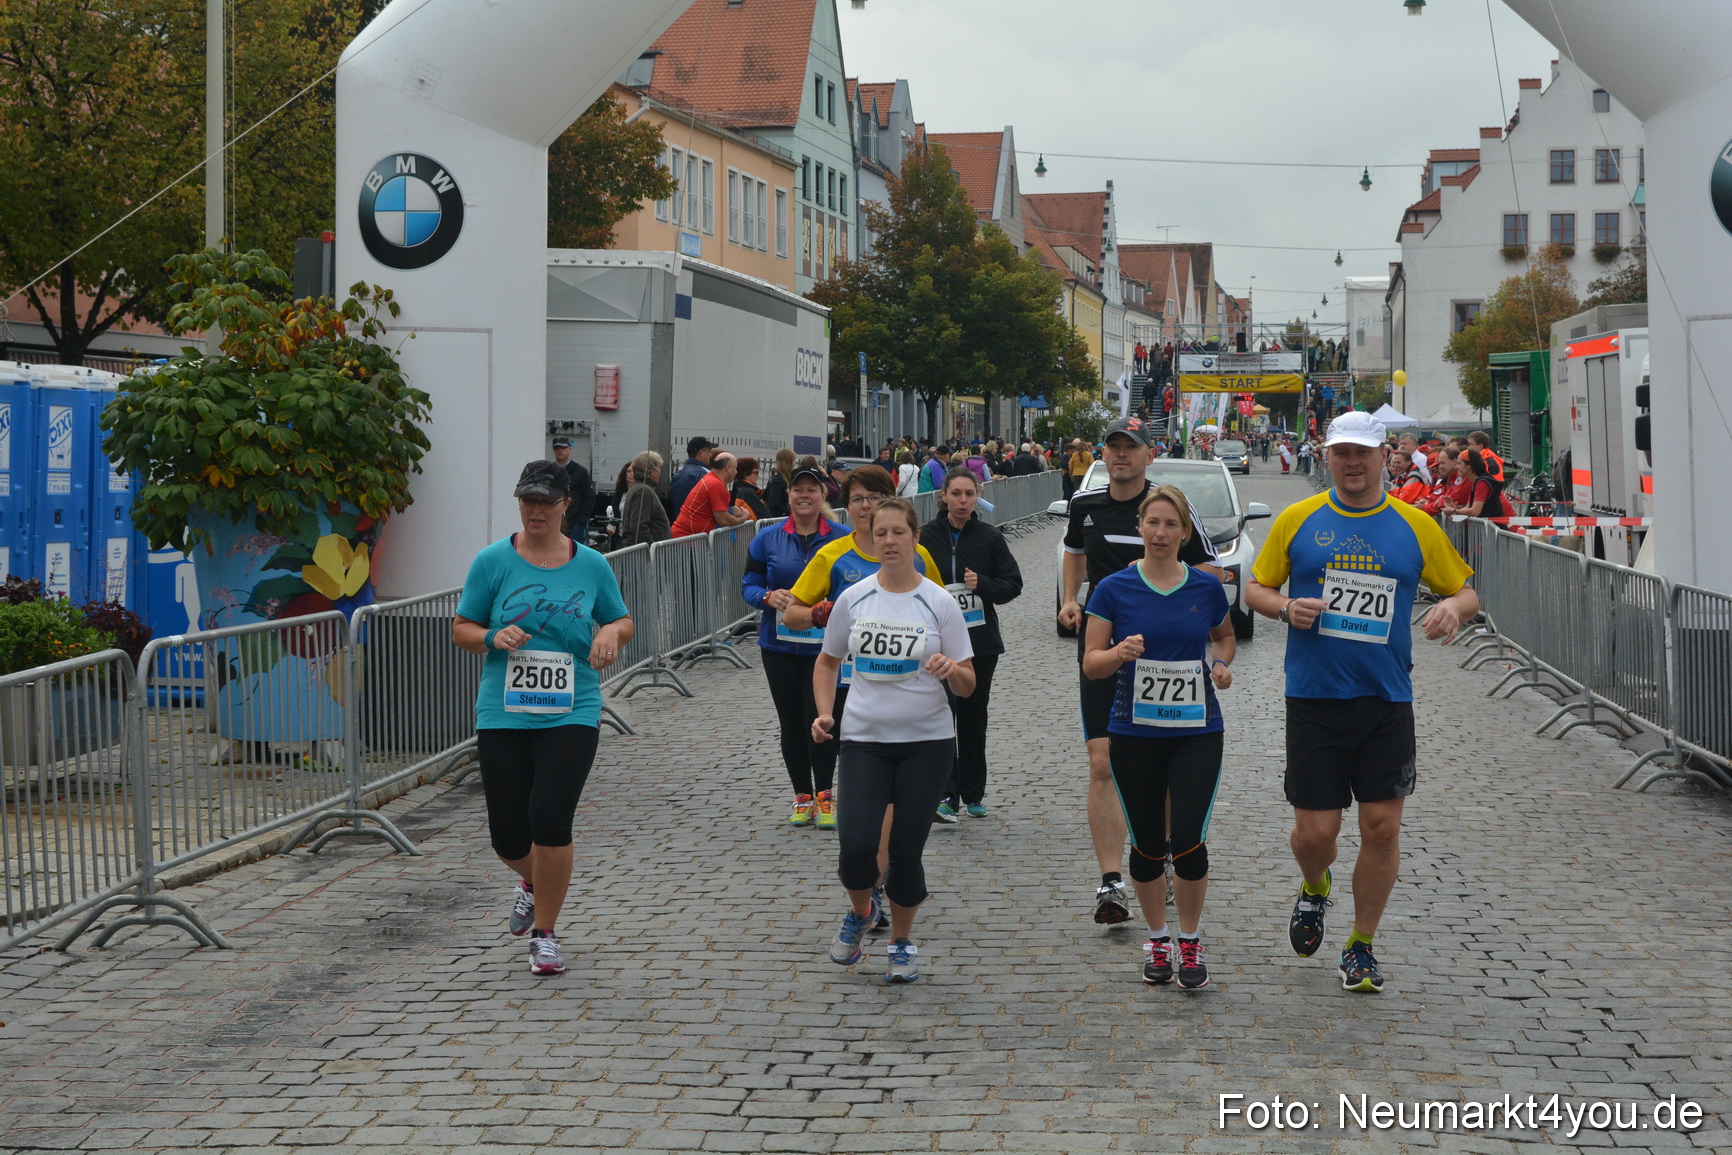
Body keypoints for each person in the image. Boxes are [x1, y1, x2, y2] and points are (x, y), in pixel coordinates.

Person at [1246, 411, 1479, 994]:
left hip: (1386, 699)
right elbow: (1255, 587)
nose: (1353, 463)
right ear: (1327, 457)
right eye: (1342, 453)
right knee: (1317, 835)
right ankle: (1315, 885)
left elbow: (1465, 588)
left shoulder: (1415, 524)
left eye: (1363, 454)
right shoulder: (1298, 520)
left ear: (1383, 458)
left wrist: (1455, 608)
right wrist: (1282, 608)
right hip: (1315, 698)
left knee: (1379, 827)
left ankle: (1361, 944)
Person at [451, 460, 634, 977]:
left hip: (572, 707)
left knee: (550, 818)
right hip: (504, 711)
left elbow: (623, 619)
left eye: (546, 502)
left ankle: (545, 933)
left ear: (565, 505)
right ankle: (532, 880)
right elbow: (461, 627)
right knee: (508, 835)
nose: (536, 510)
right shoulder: (492, 562)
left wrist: (609, 635)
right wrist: (492, 636)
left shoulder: (591, 564)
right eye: (528, 501)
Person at [1058, 415, 1218, 925]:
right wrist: (1069, 598)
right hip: (1108, 649)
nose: (1121, 454)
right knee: (1101, 761)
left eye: (1131, 447)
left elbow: (1211, 572)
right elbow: (1075, 553)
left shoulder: (1167, 506)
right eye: (1113, 447)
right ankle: (1111, 881)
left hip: (1166, 662)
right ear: (1102, 454)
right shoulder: (1084, 505)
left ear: (1150, 455)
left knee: (1164, 772)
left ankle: (1162, 855)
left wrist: (1161, 582)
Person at [812, 496, 976, 984]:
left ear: (914, 538)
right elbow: (827, 660)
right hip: (863, 737)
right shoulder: (854, 597)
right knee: (856, 846)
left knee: (905, 850)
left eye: (897, 533)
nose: (888, 541)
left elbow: (968, 682)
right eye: (879, 532)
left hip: (927, 742)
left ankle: (902, 944)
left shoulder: (938, 601)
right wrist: (824, 712)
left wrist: (951, 670)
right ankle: (862, 912)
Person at [1083, 484, 1235, 989]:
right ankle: (1157, 939)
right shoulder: (1113, 589)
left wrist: (1220, 665)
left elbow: (1226, 637)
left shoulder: (1205, 588)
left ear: (1184, 533)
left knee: (1188, 839)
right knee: (1148, 846)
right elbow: (1092, 663)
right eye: (1154, 523)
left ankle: (1189, 940)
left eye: (1172, 525)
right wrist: (1119, 653)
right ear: (1140, 529)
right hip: (1134, 731)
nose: (1162, 532)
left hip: (1197, 730)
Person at [743, 461, 852, 828]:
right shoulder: (767, 537)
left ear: (823, 495)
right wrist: (766, 597)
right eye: (797, 490)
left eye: (811, 490)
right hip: (779, 645)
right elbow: (748, 584)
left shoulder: (842, 537)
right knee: (791, 722)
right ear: (788, 496)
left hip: (826, 646)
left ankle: (825, 795)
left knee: (821, 719)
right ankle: (802, 795)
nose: (804, 495)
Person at [920, 467, 1023, 821]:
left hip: (979, 641)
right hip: (936, 642)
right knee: (941, 715)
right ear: (944, 496)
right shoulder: (925, 537)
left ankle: (973, 791)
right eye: (957, 494)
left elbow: (1013, 585)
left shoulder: (990, 538)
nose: (963, 500)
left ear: (977, 497)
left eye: (969, 494)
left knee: (973, 716)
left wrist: (984, 585)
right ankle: (946, 795)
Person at [670, 452, 751, 537]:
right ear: (728, 468)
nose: (736, 472)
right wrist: (743, 518)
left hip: (688, 539)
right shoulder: (716, 485)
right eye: (735, 468)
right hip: (687, 541)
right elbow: (724, 520)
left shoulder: (711, 479)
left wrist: (732, 509)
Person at [618, 451, 671, 547]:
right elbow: (638, 526)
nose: (660, 471)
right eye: (658, 467)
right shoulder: (643, 491)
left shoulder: (637, 488)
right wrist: (651, 549)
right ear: (651, 471)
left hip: (638, 550)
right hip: (642, 554)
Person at [1443, 448, 1512, 520]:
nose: (1456, 466)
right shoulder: (1476, 482)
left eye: (1459, 463)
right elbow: (1468, 507)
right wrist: (1455, 509)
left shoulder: (1482, 483)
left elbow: (1475, 511)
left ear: (1469, 465)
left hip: (1491, 528)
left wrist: (1454, 511)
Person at [551, 437, 597, 541]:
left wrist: (581, 521)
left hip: (575, 525)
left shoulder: (581, 471)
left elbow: (589, 497)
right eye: (557, 448)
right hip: (554, 522)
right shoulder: (551, 471)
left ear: (570, 450)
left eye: (563, 447)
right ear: (553, 451)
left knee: (574, 554)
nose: (560, 450)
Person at [668, 436, 717, 515]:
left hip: (680, 520)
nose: (711, 455)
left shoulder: (680, 472)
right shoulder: (705, 474)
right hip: (699, 521)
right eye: (709, 451)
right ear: (701, 453)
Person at [763, 448, 796, 519]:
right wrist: (788, 511)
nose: (794, 464)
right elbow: (774, 502)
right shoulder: (779, 480)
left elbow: (765, 496)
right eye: (793, 461)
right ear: (788, 462)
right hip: (778, 517)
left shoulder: (775, 477)